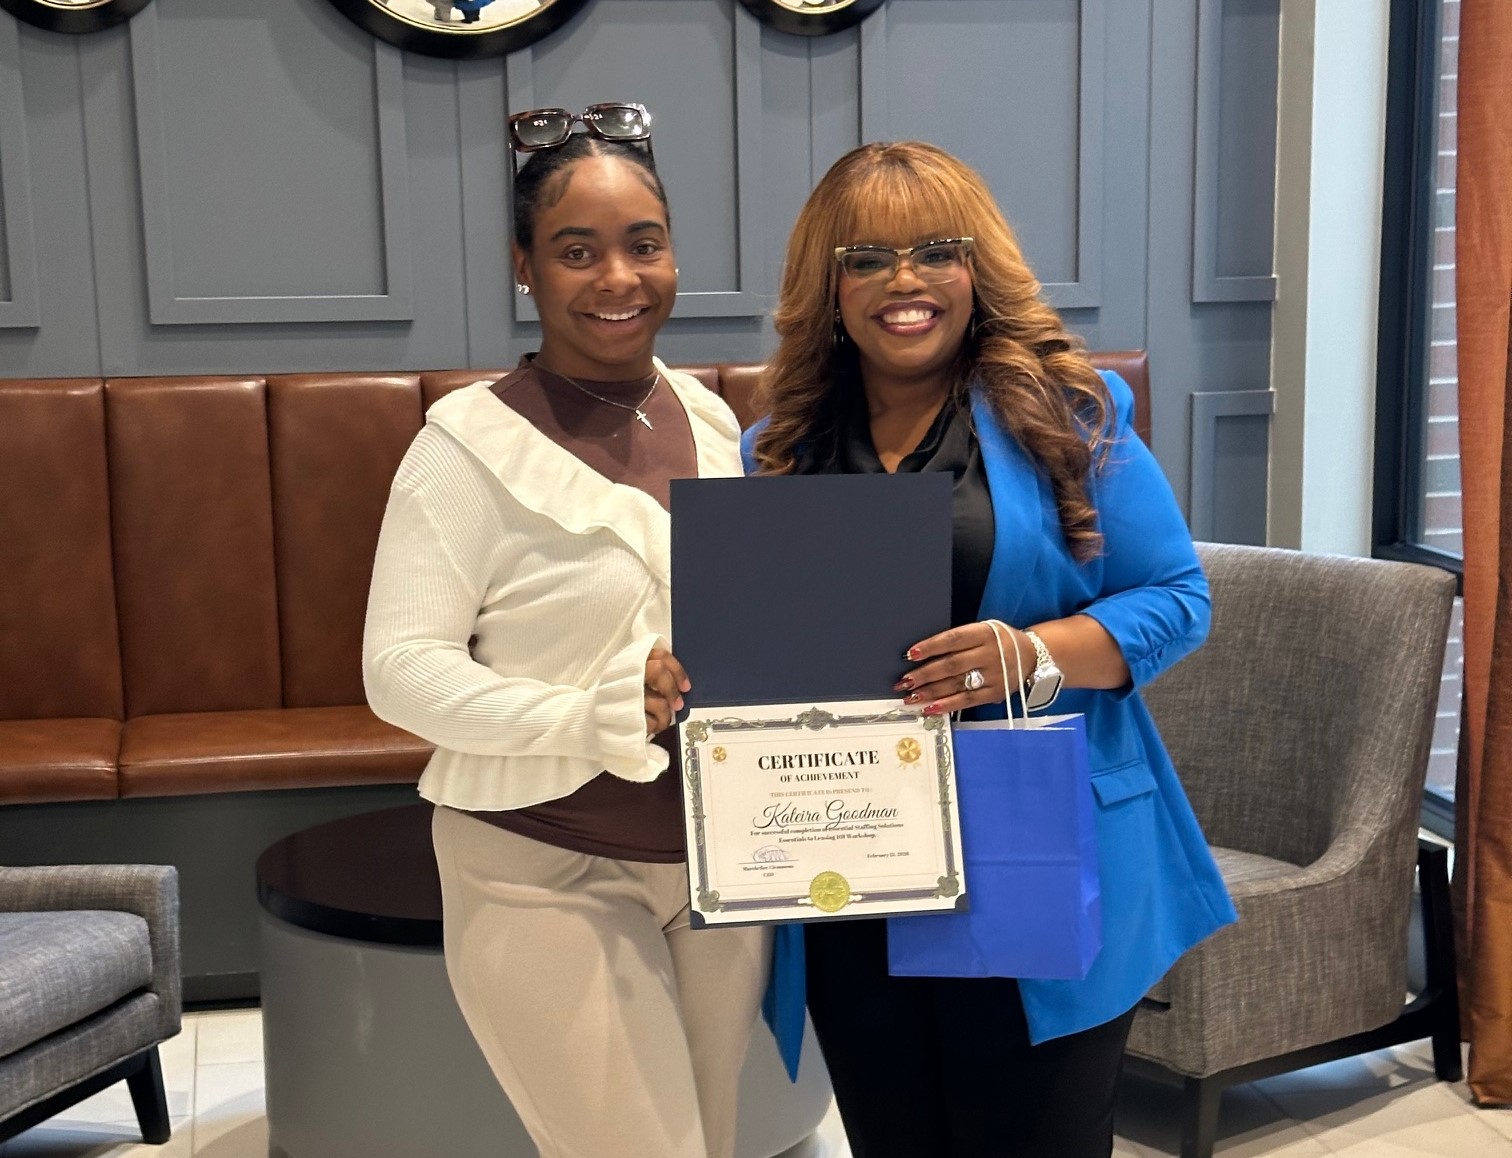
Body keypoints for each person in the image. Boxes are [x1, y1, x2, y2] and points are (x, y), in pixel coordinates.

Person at [743, 141, 1238, 1158]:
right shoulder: (778, 450)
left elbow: (1178, 601)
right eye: (867, 258)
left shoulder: (1069, 412)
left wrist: (1032, 655)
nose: (906, 281)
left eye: (937, 250)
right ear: (827, 286)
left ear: (977, 268)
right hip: (851, 856)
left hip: (1034, 841)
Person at [363, 104, 768, 1158]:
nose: (618, 278)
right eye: (577, 251)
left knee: (713, 1143)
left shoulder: (712, 419)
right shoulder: (464, 445)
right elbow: (399, 670)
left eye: (645, 244)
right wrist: (583, 716)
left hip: (716, 868)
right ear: (525, 267)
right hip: (541, 865)